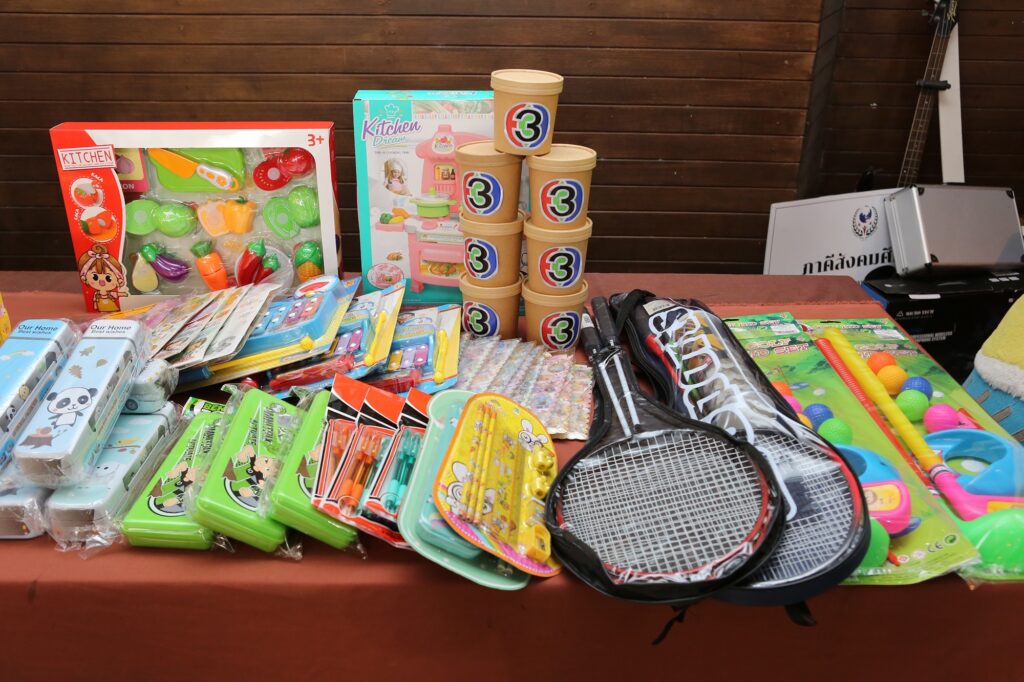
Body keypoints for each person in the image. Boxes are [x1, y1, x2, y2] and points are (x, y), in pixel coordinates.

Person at [78, 244, 127, 312]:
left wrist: (123, 294)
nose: (101, 282)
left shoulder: (109, 294)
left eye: (108, 278)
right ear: (84, 277)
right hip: (100, 307)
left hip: (112, 306)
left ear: (119, 279)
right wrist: (95, 307)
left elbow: (116, 294)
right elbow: (95, 300)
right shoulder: (97, 294)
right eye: (95, 277)